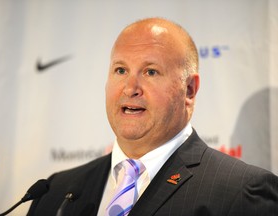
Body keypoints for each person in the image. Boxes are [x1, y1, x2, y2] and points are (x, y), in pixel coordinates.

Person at [27, 17, 278, 216]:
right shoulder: (55, 191)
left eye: (150, 72)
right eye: (121, 70)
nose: (130, 88)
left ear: (189, 90)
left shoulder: (242, 191)